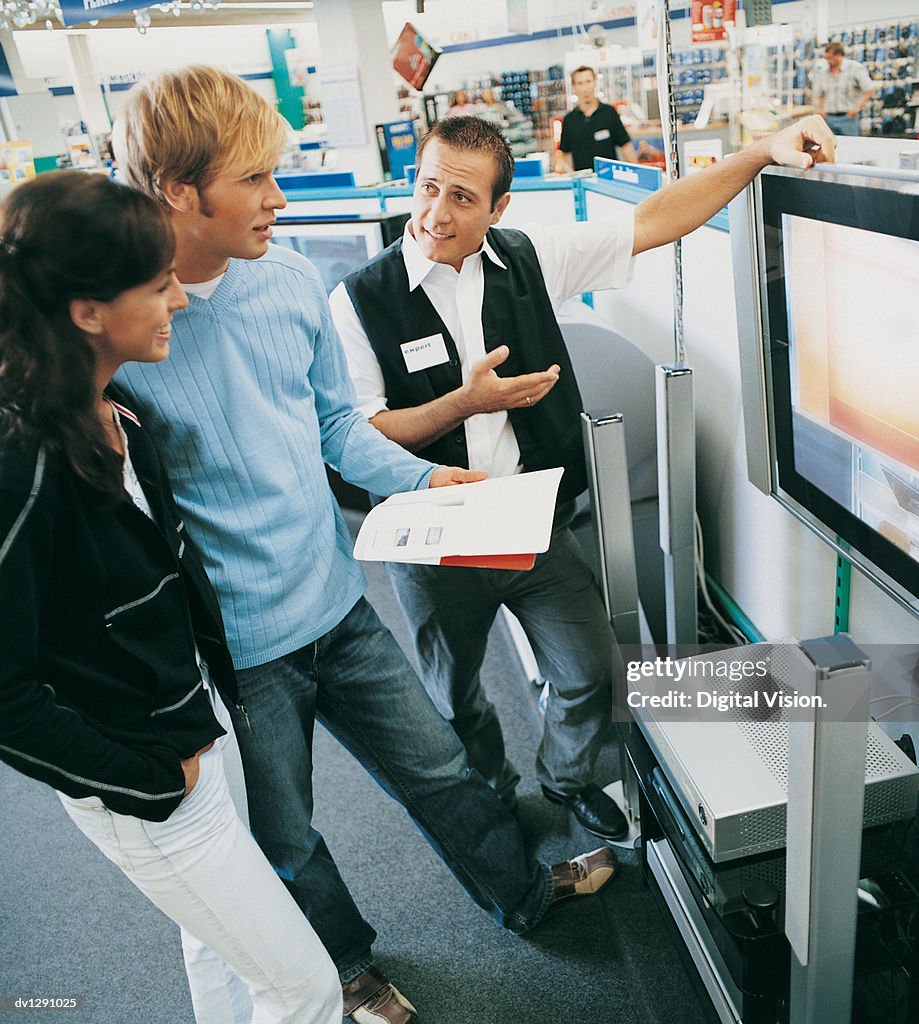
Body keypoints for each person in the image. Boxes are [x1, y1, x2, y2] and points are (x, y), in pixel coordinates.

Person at [111, 65, 617, 1024]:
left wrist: (431, 481)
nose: (280, 196)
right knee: (286, 833)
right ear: (181, 192)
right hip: (239, 648)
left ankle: (520, 891)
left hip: (338, 604)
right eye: (256, 177)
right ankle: (345, 967)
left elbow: (339, 429)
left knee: (440, 767)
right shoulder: (127, 327)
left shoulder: (291, 278)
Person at [330, 114, 836, 844]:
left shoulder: (529, 259)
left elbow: (658, 219)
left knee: (590, 672)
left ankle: (563, 780)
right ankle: (491, 793)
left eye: (463, 199)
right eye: (429, 187)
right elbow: (359, 434)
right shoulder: (357, 300)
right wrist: (465, 402)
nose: (437, 214)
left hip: (532, 525)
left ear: (499, 208)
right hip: (430, 542)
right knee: (454, 694)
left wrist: (759, 152)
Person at [0, 171, 346, 1023]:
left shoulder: (113, 411)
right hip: (147, 781)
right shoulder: (23, 467)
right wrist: (151, 783)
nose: (178, 304)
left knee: (221, 952)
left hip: (187, 726)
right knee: (306, 990)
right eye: (157, 286)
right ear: (87, 311)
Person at [555, 65, 637, 172]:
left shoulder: (609, 113)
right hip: (583, 183)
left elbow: (626, 145)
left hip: (609, 180)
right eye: (580, 83)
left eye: (588, 81)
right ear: (574, 86)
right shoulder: (569, 120)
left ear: (595, 82)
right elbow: (567, 155)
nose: (585, 88)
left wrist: (636, 173)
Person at [813, 41, 875, 136]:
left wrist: (856, 108)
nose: (827, 61)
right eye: (826, 58)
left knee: (851, 148)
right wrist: (819, 110)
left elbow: (869, 89)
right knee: (827, 148)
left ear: (839, 55)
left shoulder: (855, 68)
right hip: (828, 118)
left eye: (830, 58)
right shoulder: (823, 72)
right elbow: (819, 94)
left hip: (848, 118)